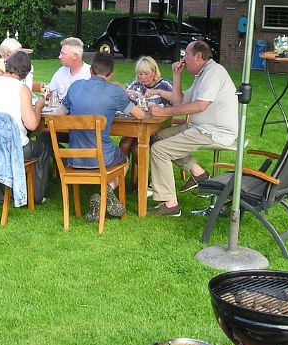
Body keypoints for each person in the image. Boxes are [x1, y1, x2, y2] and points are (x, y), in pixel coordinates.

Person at [147, 40, 239, 216]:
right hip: (199, 127)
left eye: (186, 55)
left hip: (214, 130)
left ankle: (170, 204)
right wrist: (176, 75)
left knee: (159, 150)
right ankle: (198, 173)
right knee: (158, 137)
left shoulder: (214, 72)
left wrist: (164, 111)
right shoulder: (203, 74)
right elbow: (179, 101)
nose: (183, 59)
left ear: (199, 56)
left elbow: (200, 105)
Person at [61, 52, 147, 222]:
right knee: (125, 160)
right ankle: (106, 189)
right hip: (102, 158)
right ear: (111, 73)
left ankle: (102, 195)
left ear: (90, 70)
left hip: (73, 158)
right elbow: (140, 115)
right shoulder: (114, 91)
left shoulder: (75, 86)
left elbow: (59, 114)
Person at [0, 51, 51, 204]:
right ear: (25, 73)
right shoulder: (21, 88)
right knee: (43, 149)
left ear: (8, 66)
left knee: (1, 145)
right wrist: (39, 107)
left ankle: (0, 196)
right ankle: (35, 197)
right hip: (12, 147)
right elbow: (32, 124)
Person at [119, 56, 173, 159]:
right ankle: (123, 169)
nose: (143, 77)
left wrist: (158, 93)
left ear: (154, 72)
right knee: (124, 145)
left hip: (156, 129)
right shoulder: (136, 84)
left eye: (146, 74)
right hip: (136, 125)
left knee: (137, 149)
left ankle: (142, 170)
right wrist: (128, 96)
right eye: (140, 74)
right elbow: (123, 101)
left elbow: (177, 100)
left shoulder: (164, 85)